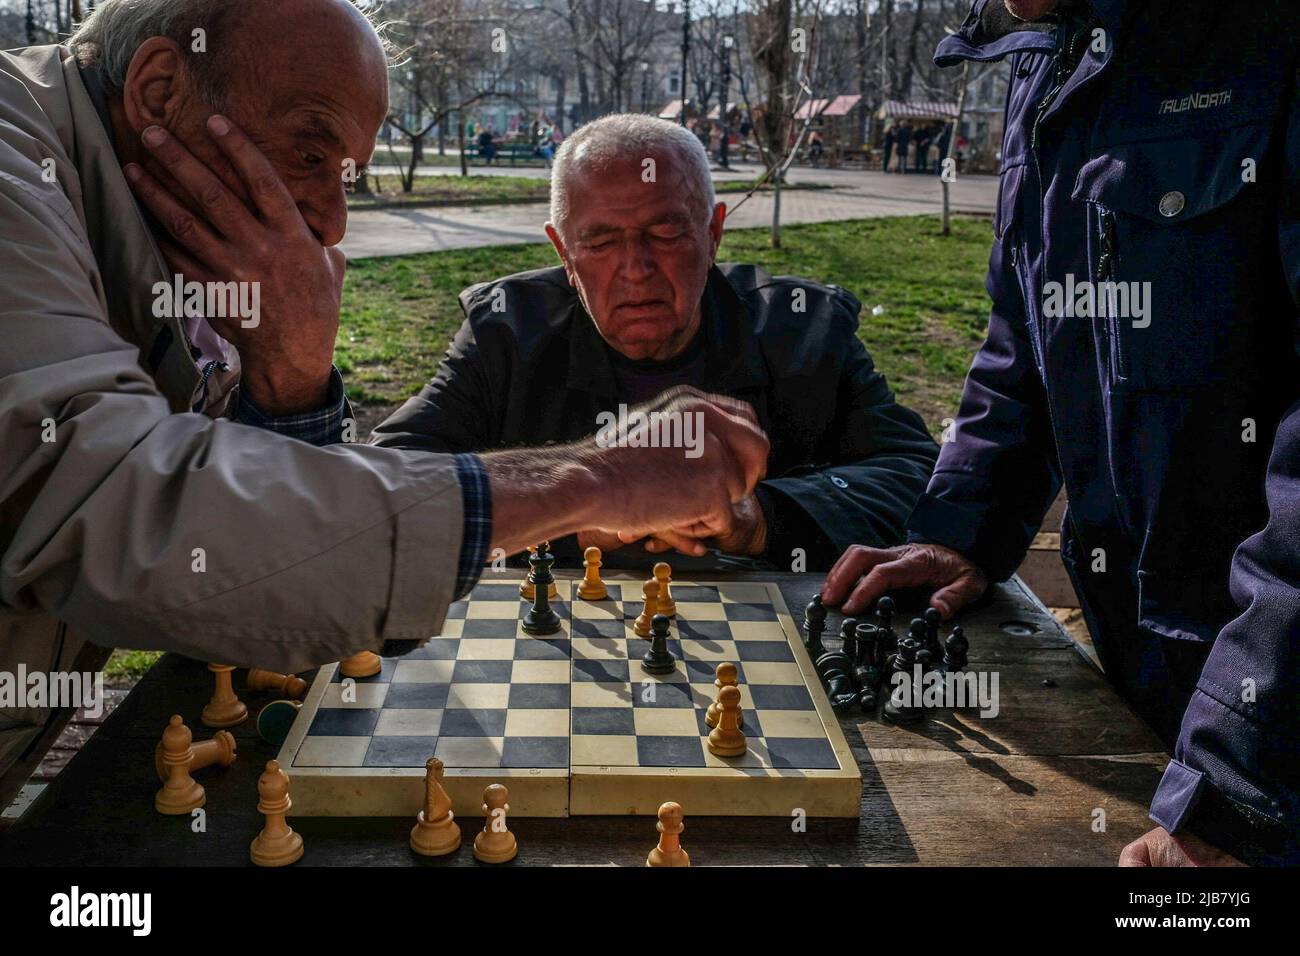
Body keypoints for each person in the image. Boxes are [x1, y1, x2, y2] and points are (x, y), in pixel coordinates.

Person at [0, 0, 769, 811]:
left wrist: (291, 383)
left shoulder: (128, 223)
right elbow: (114, 509)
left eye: (346, 180)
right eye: (307, 152)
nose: (331, 224)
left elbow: (256, 576)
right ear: (159, 92)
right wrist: (591, 479)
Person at [822, 0, 1300, 866]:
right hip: (1149, 675)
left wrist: (1240, 780)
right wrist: (964, 527)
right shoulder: (1047, 54)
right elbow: (1030, 332)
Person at [371, 114, 939, 572]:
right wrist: (581, 508)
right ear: (563, 253)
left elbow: (917, 473)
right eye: (599, 242)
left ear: (713, 233)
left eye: (665, 233)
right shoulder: (505, 332)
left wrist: (756, 517)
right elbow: (386, 486)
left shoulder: (804, 330)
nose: (635, 269)